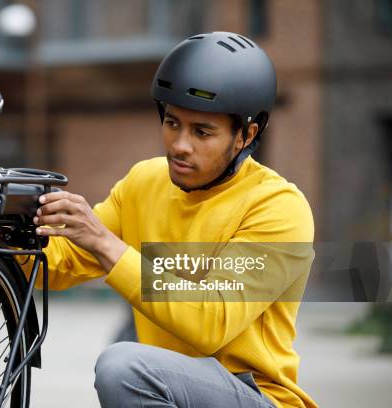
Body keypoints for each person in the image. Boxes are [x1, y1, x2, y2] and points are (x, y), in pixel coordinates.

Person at [20, 31, 316, 408]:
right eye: (172, 123)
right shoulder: (145, 181)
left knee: (123, 366)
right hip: (169, 387)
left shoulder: (278, 207)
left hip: (258, 396)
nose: (179, 144)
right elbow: (58, 265)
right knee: (128, 365)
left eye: (202, 132)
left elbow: (210, 323)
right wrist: (6, 234)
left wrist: (106, 242)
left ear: (245, 135)